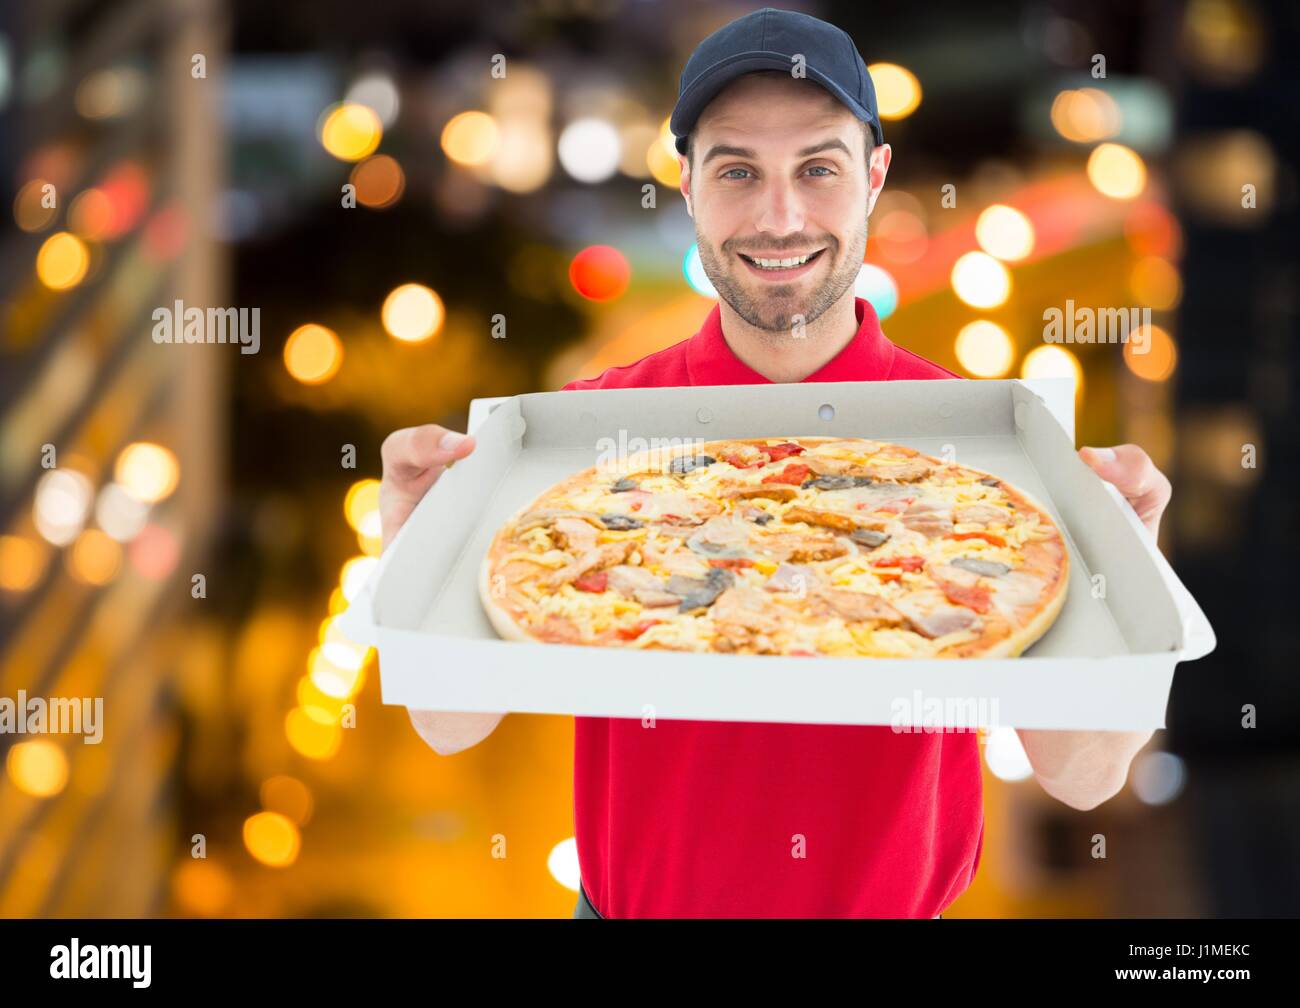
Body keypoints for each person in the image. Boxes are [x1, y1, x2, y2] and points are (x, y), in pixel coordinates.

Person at [379, 8, 1172, 919]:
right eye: (738, 171)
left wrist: (1130, 562)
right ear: (686, 185)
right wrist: (417, 540)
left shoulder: (984, 450)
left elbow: (1083, 775)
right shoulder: (593, 430)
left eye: (819, 169)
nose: (780, 215)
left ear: (874, 177)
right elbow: (449, 724)